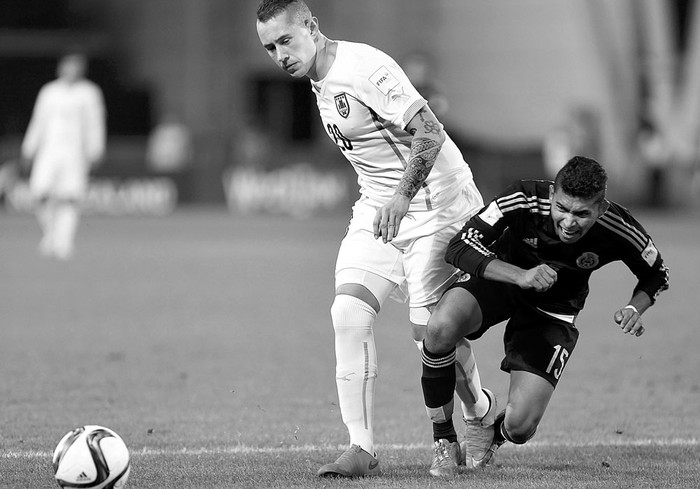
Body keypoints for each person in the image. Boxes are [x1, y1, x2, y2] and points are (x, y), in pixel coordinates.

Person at [256, 0, 496, 478]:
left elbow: (429, 130)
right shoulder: (318, 81)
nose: (280, 54)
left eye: (286, 39)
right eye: (269, 47)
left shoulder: (364, 68)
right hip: (379, 206)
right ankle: (361, 447)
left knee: (431, 336)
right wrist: (389, 200)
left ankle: (481, 412)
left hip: (436, 202)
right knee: (347, 311)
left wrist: (402, 197)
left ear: (312, 27)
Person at [420, 156, 670, 474]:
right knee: (440, 327)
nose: (569, 222)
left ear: (601, 209)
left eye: (582, 214)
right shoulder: (523, 197)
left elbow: (656, 274)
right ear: (552, 195)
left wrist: (636, 306)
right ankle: (443, 441)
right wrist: (520, 276)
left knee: (521, 427)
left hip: (555, 309)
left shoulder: (618, 226)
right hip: (502, 280)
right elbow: (460, 247)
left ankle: (493, 433)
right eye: (562, 208)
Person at [21, 51, 106, 259]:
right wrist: (29, 148)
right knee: (39, 192)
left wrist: (96, 150)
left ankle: (64, 242)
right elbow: (38, 122)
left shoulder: (89, 93)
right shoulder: (49, 92)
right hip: (48, 151)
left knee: (70, 197)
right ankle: (50, 234)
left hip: (75, 153)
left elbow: (95, 124)